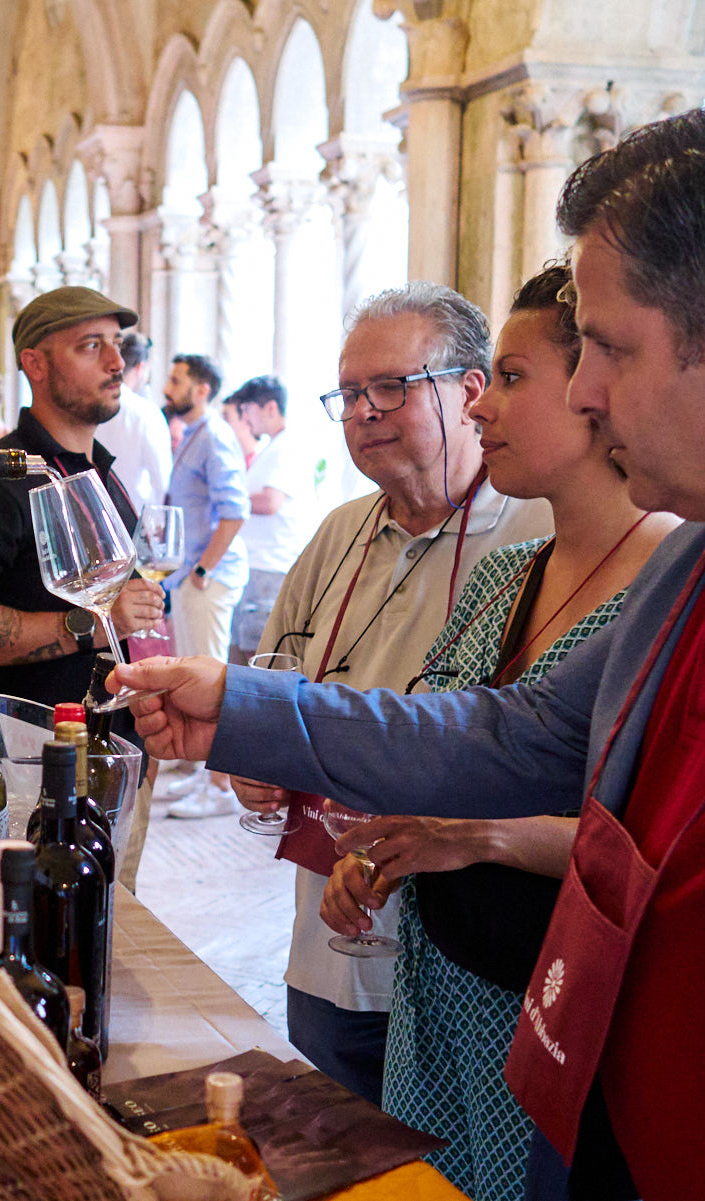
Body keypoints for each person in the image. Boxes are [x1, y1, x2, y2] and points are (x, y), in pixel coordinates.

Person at [113, 112, 705, 1201]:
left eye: (607, 349)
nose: (581, 392)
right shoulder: (684, 576)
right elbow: (505, 734)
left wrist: (478, 837)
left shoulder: (642, 560)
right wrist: (238, 706)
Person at [314, 266, 676, 1201]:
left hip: (558, 1005)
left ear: (598, 392)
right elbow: (451, 749)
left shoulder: (664, 592)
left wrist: (471, 837)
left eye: (510, 379)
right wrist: (392, 847)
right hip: (441, 988)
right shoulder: (503, 573)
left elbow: (649, 845)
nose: (481, 409)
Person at [150, 282, 555, 1103]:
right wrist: (256, 762)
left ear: (470, 390)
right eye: (349, 393)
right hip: (324, 932)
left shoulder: (540, 534)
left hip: (464, 954)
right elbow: (275, 682)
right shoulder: (338, 533)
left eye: (391, 388)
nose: (364, 411)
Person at [0, 286, 164, 709]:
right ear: (35, 364)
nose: (117, 363)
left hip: (116, 742)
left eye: (117, 345)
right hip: (37, 752)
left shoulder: (97, 468)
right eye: (91, 346)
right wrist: (93, 625)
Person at [161, 352, 250, 817]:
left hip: (206, 578)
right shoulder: (193, 434)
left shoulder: (215, 436)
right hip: (188, 574)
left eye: (176, 380)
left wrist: (202, 571)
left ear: (201, 390)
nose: (167, 386)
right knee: (194, 672)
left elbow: (235, 511)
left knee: (213, 678)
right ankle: (199, 775)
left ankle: (219, 788)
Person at [230, 376, 321, 660]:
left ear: (270, 408)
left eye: (248, 411)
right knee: (245, 649)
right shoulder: (273, 446)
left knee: (260, 654)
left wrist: (226, 504)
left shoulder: (286, 447)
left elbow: (270, 501)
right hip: (259, 565)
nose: (245, 420)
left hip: (269, 566)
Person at [94, 330, 174, 511]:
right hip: (134, 516)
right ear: (141, 367)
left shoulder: (91, 406)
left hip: (94, 513)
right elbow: (163, 481)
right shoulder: (147, 413)